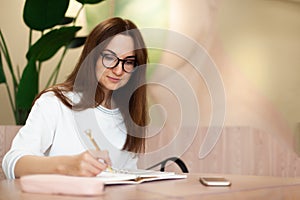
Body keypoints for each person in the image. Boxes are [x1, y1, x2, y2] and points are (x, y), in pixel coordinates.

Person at [2, 17, 148, 179]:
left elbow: (128, 178)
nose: (119, 70)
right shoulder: (55, 102)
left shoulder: (128, 115)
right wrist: (67, 166)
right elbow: (13, 163)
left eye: (128, 62)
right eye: (109, 57)